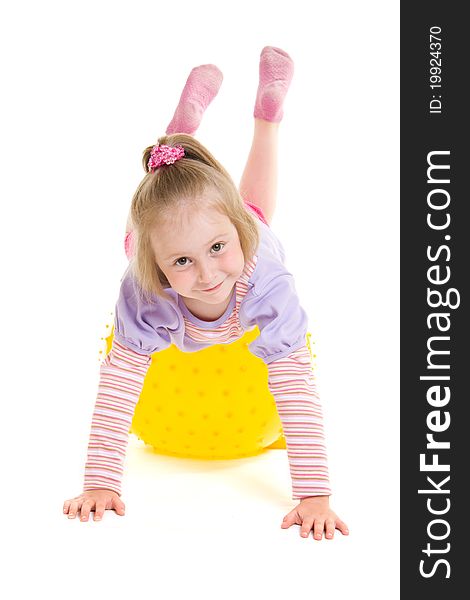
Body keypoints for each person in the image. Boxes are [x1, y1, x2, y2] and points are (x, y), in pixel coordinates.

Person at [63, 46, 349, 541]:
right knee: (154, 216)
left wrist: (314, 494)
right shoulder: (144, 288)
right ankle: (176, 139)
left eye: (219, 247)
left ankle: (268, 117)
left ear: (238, 233)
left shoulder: (266, 280)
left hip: (247, 236)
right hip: (160, 242)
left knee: (257, 203)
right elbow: (119, 382)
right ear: (155, 267)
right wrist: (100, 483)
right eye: (181, 262)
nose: (207, 273)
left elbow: (293, 382)